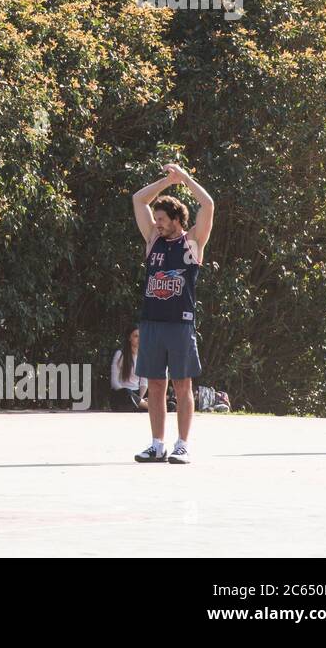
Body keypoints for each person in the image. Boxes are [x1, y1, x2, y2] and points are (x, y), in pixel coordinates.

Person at [131, 163, 214, 464]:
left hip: (180, 325)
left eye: (163, 219)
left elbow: (208, 204)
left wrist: (186, 178)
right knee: (154, 384)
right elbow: (139, 200)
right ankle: (156, 444)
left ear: (177, 220)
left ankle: (182, 445)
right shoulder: (153, 240)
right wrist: (167, 182)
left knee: (182, 385)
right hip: (152, 322)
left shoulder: (191, 243)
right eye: (157, 220)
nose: (158, 224)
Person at [110, 326, 149, 412]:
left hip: (137, 394)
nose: (139, 339)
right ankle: (149, 406)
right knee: (126, 392)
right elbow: (114, 382)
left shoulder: (143, 357)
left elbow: (144, 382)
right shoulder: (120, 354)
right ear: (129, 338)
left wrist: (139, 399)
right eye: (136, 336)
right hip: (122, 393)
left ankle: (141, 404)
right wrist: (131, 395)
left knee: (153, 392)